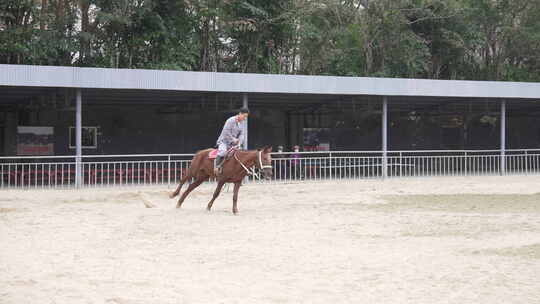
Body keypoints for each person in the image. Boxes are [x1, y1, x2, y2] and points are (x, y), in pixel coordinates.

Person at [214, 108, 249, 175]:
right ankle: (217, 167)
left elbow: (242, 134)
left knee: (241, 153)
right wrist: (233, 139)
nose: (245, 118)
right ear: (240, 114)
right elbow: (226, 132)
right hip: (223, 141)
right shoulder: (230, 120)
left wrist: (239, 143)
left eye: (246, 117)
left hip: (233, 144)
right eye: (244, 116)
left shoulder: (242, 123)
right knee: (223, 152)